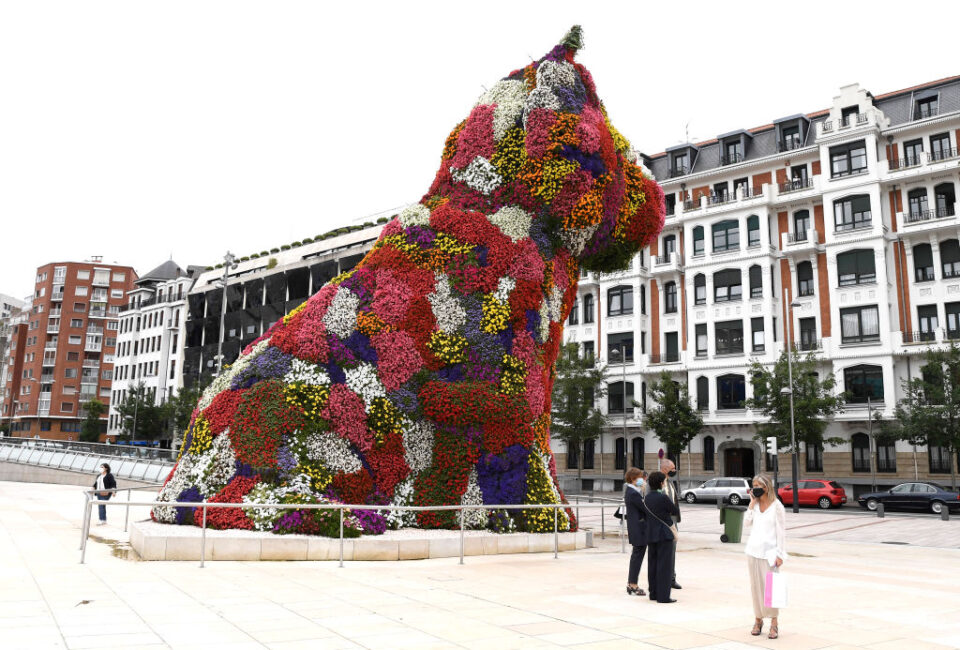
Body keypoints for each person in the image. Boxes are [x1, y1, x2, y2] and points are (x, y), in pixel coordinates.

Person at [744, 473, 786, 640]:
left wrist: (781, 554)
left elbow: (782, 532)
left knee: (772, 589)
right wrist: (752, 504)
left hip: (770, 553)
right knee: (756, 588)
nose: (755, 488)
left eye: (758, 485)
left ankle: (774, 623)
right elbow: (746, 524)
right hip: (753, 551)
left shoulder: (777, 507)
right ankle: (758, 620)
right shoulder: (753, 504)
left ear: (767, 487)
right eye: (753, 485)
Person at [644, 471, 680, 603]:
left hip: (651, 534)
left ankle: (653, 593)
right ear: (661, 483)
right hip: (664, 534)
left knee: (652, 564)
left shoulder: (647, 497)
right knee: (664, 566)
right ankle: (663, 596)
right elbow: (674, 510)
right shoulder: (663, 497)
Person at [623, 467, 649, 596]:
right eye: (639, 477)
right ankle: (632, 584)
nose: (642, 479)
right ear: (633, 479)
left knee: (637, 556)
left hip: (637, 528)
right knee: (637, 557)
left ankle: (631, 583)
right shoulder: (633, 493)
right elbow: (645, 509)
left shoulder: (633, 491)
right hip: (638, 529)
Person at [659, 458, 682, 590]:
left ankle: (671, 578)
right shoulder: (656, 481)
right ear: (665, 468)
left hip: (672, 520)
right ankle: (662, 579)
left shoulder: (670, 482)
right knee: (662, 551)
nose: (674, 471)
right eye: (672, 468)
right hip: (661, 520)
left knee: (672, 551)